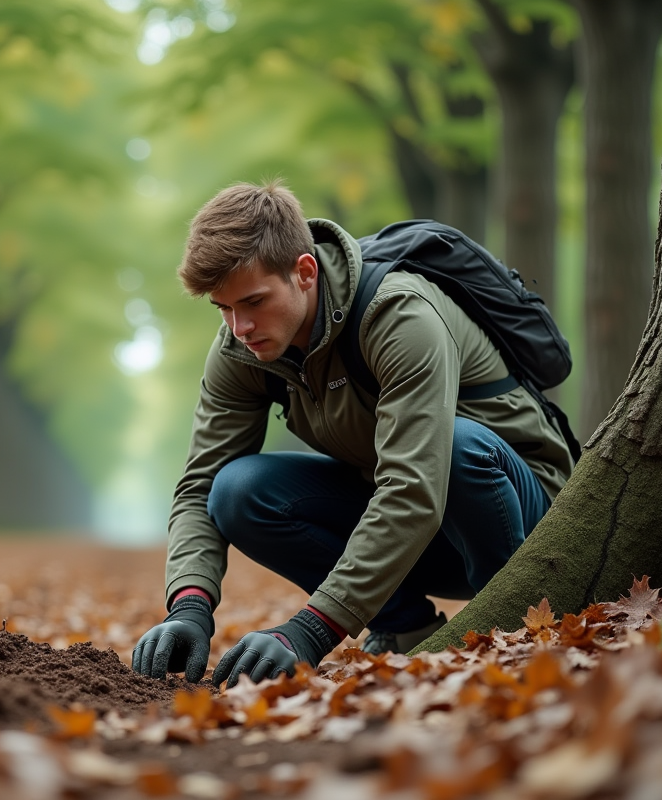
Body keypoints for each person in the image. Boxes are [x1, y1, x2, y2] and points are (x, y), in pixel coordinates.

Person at [131, 181, 573, 689]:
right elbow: (200, 486)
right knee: (236, 490)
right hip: (416, 532)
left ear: (305, 272)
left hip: (519, 515)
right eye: (223, 308)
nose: (240, 327)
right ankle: (404, 627)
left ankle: (517, 627)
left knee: (455, 446)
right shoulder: (241, 349)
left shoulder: (399, 314)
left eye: (253, 301)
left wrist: (310, 631)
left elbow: (413, 486)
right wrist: (189, 606)